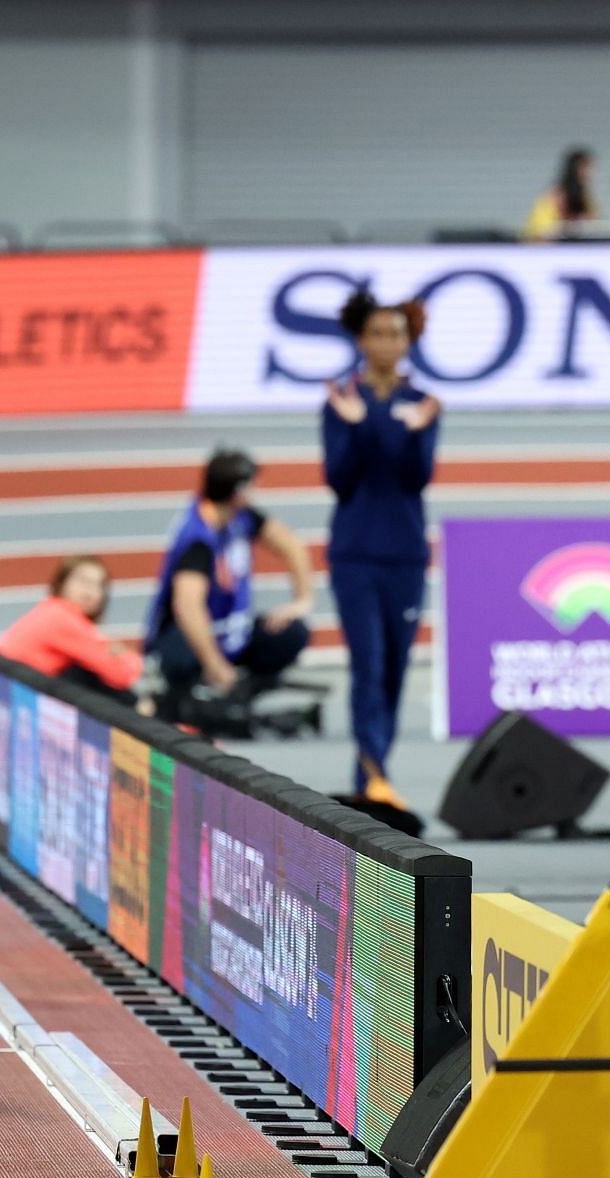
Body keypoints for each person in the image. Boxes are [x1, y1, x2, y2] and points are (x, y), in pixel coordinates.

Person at [323, 291, 439, 807]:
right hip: (355, 554)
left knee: (393, 668)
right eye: (377, 334)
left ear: (408, 340)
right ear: (361, 340)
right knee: (367, 663)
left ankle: (369, 780)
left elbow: (417, 479)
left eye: (396, 334)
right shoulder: (340, 402)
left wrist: (415, 435)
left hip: (405, 555)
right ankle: (376, 774)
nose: (387, 343)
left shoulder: (423, 405)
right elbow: (340, 480)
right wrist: (360, 424)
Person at [145, 449, 315, 719]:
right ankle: (189, 696)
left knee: (293, 633)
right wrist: (215, 665)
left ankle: (242, 693)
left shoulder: (242, 517)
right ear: (237, 492)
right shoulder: (197, 539)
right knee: (183, 652)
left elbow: (293, 547)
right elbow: (188, 606)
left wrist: (301, 602)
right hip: (191, 639)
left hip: (232, 633)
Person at [0, 555, 142, 707]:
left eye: (99, 585)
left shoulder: (50, 609)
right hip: (14, 697)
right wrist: (127, 656)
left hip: (5, 689)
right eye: (83, 581)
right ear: (62, 583)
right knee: (94, 680)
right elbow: (122, 675)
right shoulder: (62, 618)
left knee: (82, 673)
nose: (90, 591)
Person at [524, 146, 600, 241]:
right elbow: (541, 231)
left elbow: (593, 225)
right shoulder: (555, 195)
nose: (589, 173)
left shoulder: (585, 197)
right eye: (585, 168)